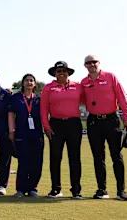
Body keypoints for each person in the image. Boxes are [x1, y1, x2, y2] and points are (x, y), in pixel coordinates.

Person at [80, 55, 127, 201]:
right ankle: (102, 189)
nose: (91, 65)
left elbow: (122, 97)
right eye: (88, 63)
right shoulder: (84, 82)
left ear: (99, 63)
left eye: (93, 62)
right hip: (94, 122)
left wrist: (126, 117)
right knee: (98, 157)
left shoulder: (110, 77)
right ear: (85, 66)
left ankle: (121, 191)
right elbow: (83, 99)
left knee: (117, 156)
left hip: (111, 120)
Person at [41, 61, 83, 199]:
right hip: (56, 124)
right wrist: (46, 126)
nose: (61, 73)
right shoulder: (48, 88)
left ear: (68, 73)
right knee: (55, 158)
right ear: (54, 73)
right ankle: (56, 189)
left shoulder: (77, 86)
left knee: (75, 158)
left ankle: (76, 190)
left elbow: (88, 100)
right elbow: (44, 109)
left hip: (74, 124)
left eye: (64, 71)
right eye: (59, 71)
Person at [8, 74, 43, 198]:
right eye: (27, 80)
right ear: (22, 83)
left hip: (37, 133)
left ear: (34, 84)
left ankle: (33, 188)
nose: (29, 82)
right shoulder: (16, 98)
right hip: (21, 133)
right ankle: (21, 189)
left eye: (32, 80)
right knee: (23, 161)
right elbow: (11, 114)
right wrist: (11, 131)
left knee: (36, 161)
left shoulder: (39, 99)